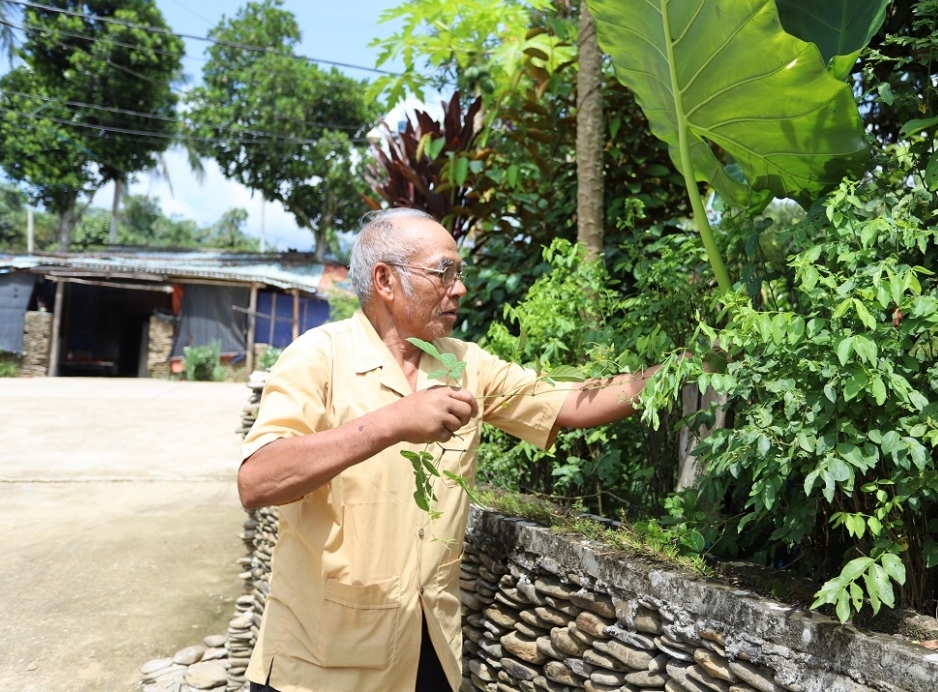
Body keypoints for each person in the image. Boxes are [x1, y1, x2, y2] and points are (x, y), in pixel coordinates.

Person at [238, 208, 658, 692]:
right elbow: (258, 480)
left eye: (460, 273)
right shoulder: (318, 356)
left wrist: (678, 371)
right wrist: (393, 422)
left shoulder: (464, 364)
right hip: (317, 661)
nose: (459, 288)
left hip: (428, 649)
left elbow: (571, 404)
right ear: (385, 281)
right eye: (444, 272)